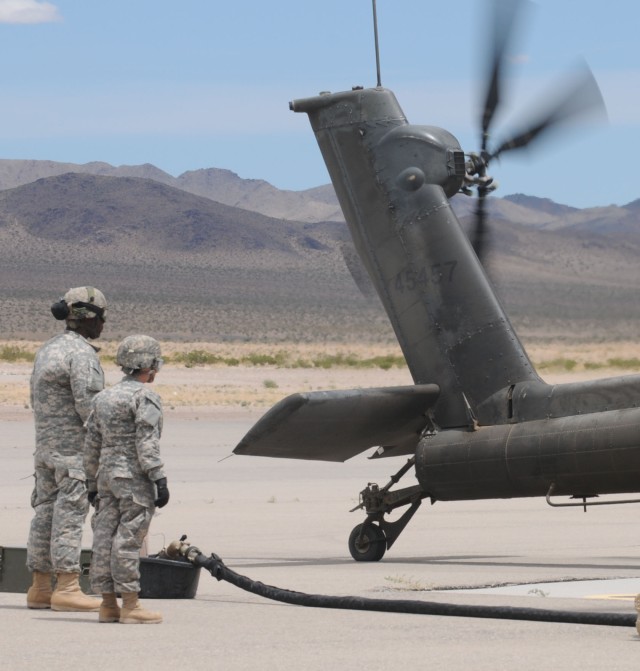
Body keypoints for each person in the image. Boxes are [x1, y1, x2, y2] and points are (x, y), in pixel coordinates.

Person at [27, 286, 107, 611]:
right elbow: (91, 408)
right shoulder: (81, 354)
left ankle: (40, 587)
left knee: (44, 514)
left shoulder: (47, 350)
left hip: (45, 451)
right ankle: (68, 586)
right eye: (101, 317)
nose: (103, 324)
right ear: (87, 318)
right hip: (73, 454)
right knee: (70, 516)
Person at [84, 334, 169, 624]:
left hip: (106, 479)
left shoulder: (102, 398)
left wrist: (91, 484)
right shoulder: (144, 396)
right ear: (147, 364)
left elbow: (91, 445)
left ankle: (108, 605)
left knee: (104, 540)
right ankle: (131, 606)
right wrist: (159, 478)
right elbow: (147, 443)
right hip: (133, 480)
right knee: (128, 542)